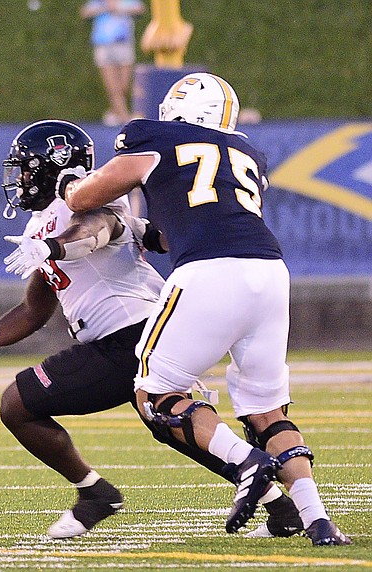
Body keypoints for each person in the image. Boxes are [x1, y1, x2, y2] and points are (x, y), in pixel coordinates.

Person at [0, 119, 303, 539]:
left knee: (18, 403)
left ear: (56, 165)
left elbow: (96, 230)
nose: (22, 179)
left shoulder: (85, 203)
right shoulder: (38, 225)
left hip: (132, 335)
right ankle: (281, 505)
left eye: (28, 168)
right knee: (174, 427)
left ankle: (96, 494)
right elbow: (34, 310)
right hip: (128, 338)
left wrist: (52, 246)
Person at [62, 72, 351, 546]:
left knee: (154, 395)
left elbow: (89, 196)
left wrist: (72, 187)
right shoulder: (247, 153)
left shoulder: (154, 136)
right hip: (271, 273)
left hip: (209, 271)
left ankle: (246, 463)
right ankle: (319, 520)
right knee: (267, 410)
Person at [79, 0, 145, 126]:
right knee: (113, 87)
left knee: (123, 86)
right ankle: (126, 119)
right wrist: (104, 8)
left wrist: (119, 8)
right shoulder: (99, 2)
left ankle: (114, 113)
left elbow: (140, 9)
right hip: (103, 45)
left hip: (123, 44)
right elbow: (85, 12)